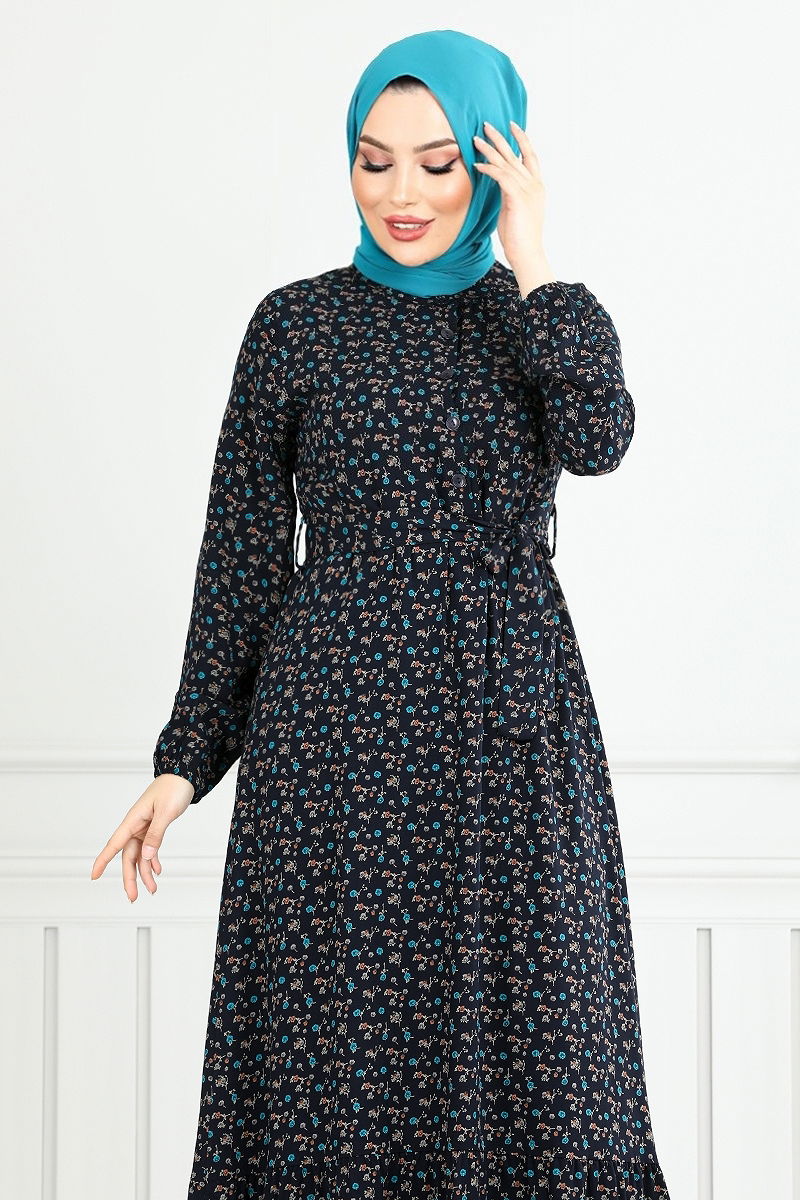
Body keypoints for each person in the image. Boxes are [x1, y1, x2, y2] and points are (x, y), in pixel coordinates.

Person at [91, 28, 672, 1200]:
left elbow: (598, 439)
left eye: (438, 163)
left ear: (494, 164)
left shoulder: (537, 315)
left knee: (537, 1038)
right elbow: (242, 559)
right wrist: (183, 762)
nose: (401, 193)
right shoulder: (293, 326)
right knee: (330, 1046)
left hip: (504, 727)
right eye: (373, 161)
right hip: (332, 737)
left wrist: (532, 253)